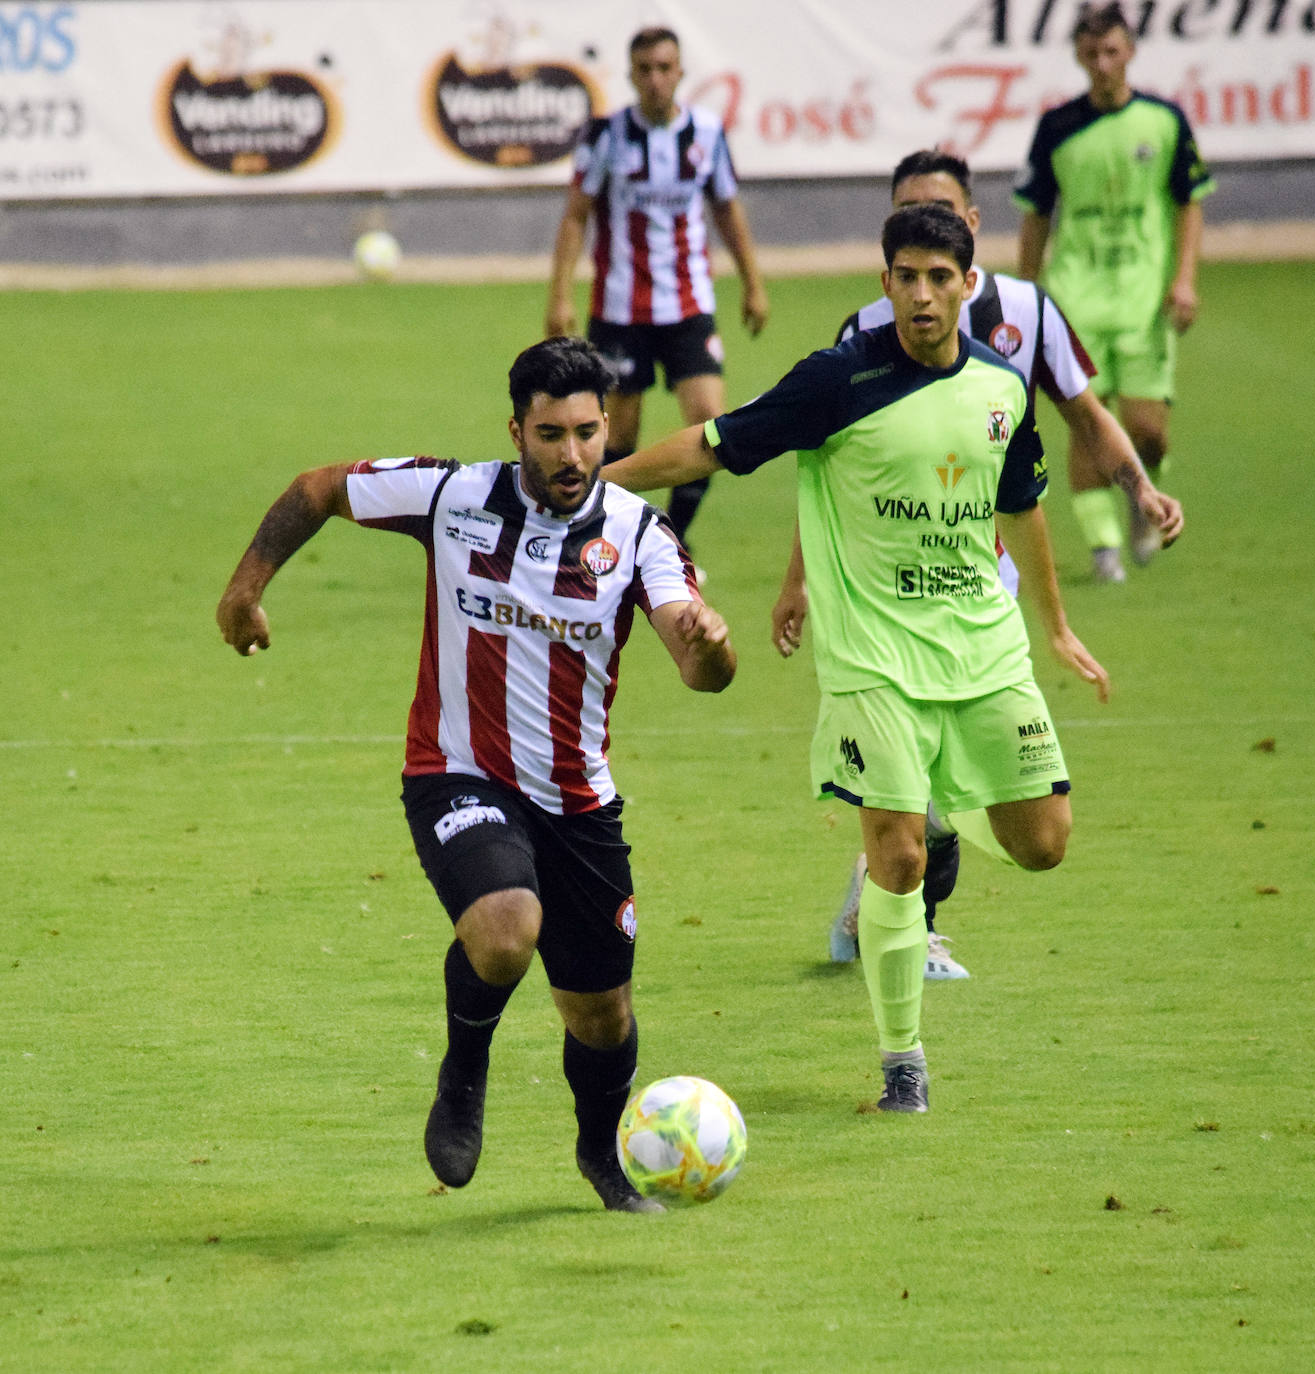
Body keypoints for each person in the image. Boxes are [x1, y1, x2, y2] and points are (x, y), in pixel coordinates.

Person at [605, 204, 1109, 1114]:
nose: (922, 294)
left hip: (984, 650)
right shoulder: (840, 379)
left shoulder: (1001, 385)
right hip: (873, 661)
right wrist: (594, 487)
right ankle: (902, 1063)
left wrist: (1057, 625)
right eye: (905, 276)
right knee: (900, 860)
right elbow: (713, 445)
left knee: (1045, 846)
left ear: (967, 283)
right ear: (884, 284)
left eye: (939, 277)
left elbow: (1023, 499)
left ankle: (947, 803)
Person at [215, 336, 737, 1211]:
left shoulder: (641, 534)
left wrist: (706, 646)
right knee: (505, 928)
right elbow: (317, 489)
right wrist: (245, 588)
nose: (571, 455)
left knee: (602, 1016)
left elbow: (700, 666)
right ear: (517, 432)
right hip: (458, 773)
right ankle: (464, 1068)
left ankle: (602, 1160)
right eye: (549, 435)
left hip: (578, 802)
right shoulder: (452, 494)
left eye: (585, 433)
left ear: (607, 426)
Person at [769, 148, 1184, 981]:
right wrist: (801, 578)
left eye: (943, 210)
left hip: (982, 583)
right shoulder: (867, 329)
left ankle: (891, 893)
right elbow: (834, 459)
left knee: (1003, 819)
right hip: (891, 586)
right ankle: (910, 929)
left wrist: (1138, 488)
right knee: (912, 793)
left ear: (973, 226)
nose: (928, 235)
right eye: (910, 210)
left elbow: (1083, 415)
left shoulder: (1029, 313)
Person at [545, 25, 769, 571]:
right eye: (643, 69)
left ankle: (672, 538)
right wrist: (560, 294)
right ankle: (604, 541)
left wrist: (753, 283)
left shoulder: (707, 133)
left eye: (664, 68)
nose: (654, 79)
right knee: (617, 436)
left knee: (710, 421)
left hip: (689, 306)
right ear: (630, 75)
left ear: (680, 72)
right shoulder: (605, 136)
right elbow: (576, 215)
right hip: (620, 310)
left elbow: (726, 211)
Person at [1014, 0, 1215, 583]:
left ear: (1130, 53)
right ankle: (1104, 552)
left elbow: (1189, 203)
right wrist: (1028, 296)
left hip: (1144, 298)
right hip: (1076, 298)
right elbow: (1035, 216)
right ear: (1079, 57)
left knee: (1149, 432)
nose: (1102, 64)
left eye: (1112, 52)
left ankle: (1138, 496)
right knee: (1086, 419)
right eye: (1091, 53)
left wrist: (1184, 280)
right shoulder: (1057, 128)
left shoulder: (1165, 120)